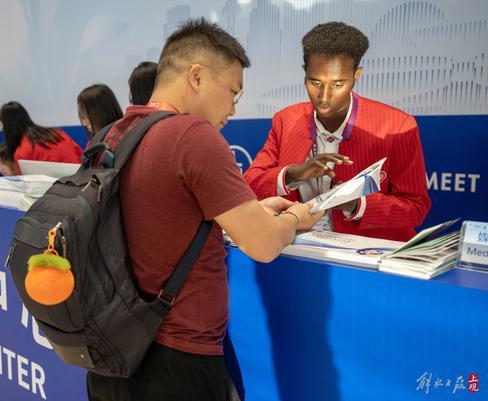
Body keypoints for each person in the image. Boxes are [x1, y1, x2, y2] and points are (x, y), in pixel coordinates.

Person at [87, 18, 322, 401]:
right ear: (197, 77)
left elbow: (161, 210)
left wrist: (249, 208)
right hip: (177, 363)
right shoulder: (193, 135)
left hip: (111, 352)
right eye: (233, 91)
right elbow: (263, 245)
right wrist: (297, 217)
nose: (233, 107)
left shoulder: (113, 135)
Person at [244, 22, 431, 241]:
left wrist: (356, 204)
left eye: (338, 84)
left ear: (356, 75)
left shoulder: (397, 126)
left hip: (367, 258)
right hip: (298, 249)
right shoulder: (285, 120)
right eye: (315, 82)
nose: (324, 97)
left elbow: (416, 207)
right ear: (304, 72)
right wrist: (295, 173)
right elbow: (250, 184)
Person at [0, 101, 82, 173]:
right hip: (81, 177)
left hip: (62, 186)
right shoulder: (57, 132)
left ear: (7, 127)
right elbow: (79, 153)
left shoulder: (22, 152)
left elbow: (28, 184)